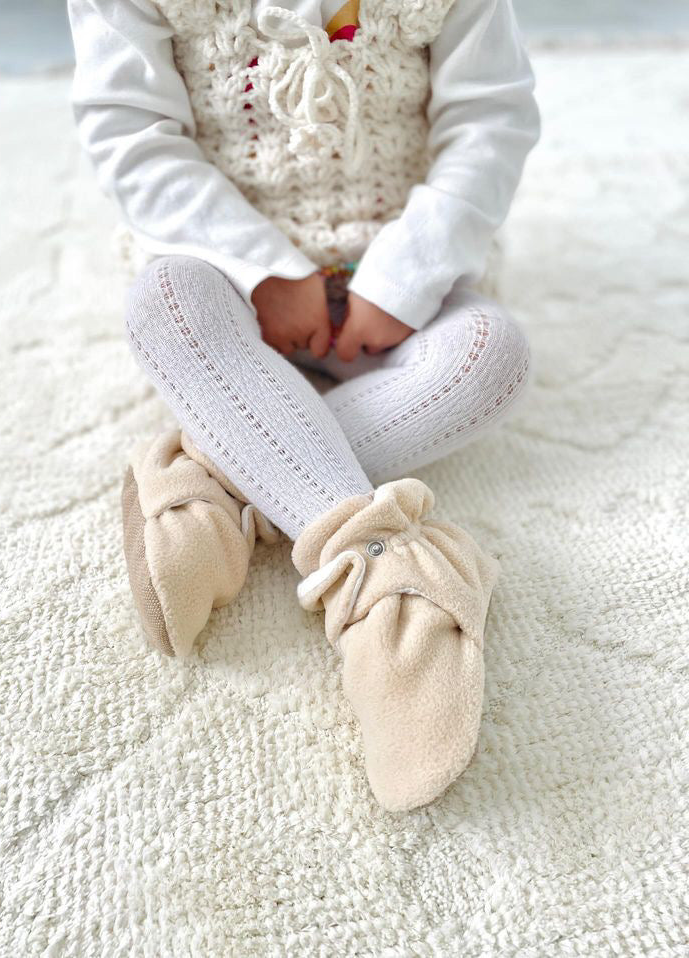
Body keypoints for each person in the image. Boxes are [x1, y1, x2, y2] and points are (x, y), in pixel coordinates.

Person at [68, 0, 541, 811]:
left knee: (492, 356)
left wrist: (399, 280)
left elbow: (489, 121)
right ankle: (383, 569)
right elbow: (130, 133)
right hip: (226, 273)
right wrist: (264, 270)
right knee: (163, 302)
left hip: (395, 288)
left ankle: (225, 481)